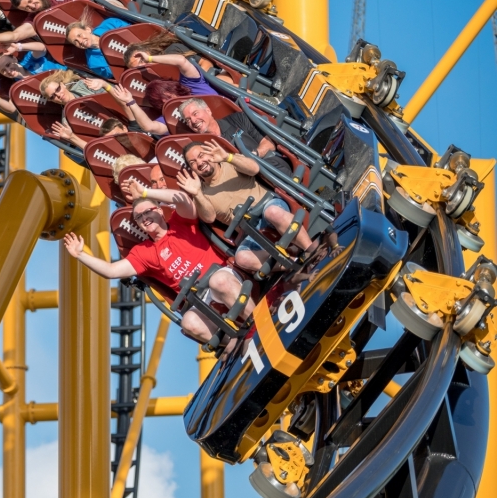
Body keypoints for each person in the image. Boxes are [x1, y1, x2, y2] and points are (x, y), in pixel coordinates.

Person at [64, 197, 251, 345]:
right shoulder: (144, 252)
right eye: (139, 217)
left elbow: (184, 200)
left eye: (148, 212)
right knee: (188, 323)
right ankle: (232, 343)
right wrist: (81, 255)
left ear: (160, 211)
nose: (144, 218)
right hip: (200, 298)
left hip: (221, 275)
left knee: (219, 282)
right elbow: (111, 271)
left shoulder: (180, 222)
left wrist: (145, 194)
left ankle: (255, 321)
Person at [180, 140, 315, 273]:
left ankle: (312, 252)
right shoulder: (201, 193)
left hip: (269, 206)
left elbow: (254, 168)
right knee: (242, 258)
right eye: (193, 163)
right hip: (251, 231)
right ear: (192, 169)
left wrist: (228, 157)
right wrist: (197, 194)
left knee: (272, 212)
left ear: (210, 153)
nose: (199, 163)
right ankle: (295, 266)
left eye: (201, 155)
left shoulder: (230, 162)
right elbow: (209, 218)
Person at [178, 97, 292, 176]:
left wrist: (253, 156)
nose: (193, 121)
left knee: (270, 167)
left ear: (208, 110)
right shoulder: (202, 149)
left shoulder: (238, 119)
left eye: (195, 113)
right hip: (246, 185)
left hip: (270, 165)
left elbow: (269, 143)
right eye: (188, 120)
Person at [0, 42, 65, 76]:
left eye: (8, 65)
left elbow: (42, 48)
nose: (8, 71)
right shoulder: (19, 87)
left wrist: (19, 47)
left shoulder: (27, 61)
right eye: (3, 71)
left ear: (14, 59)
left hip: (67, 74)